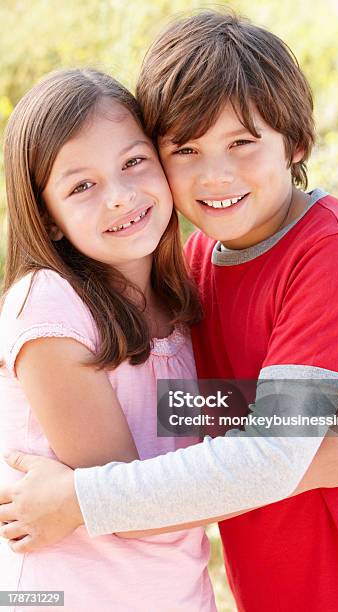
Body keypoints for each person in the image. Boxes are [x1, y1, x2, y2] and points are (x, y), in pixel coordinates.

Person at [1, 10, 338, 612]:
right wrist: (308, 452)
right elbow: (202, 411)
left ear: (295, 141)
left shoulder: (331, 256)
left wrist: (78, 500)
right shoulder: (192, 269)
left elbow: (267, 449)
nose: (215, 174)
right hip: (261, 579)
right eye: (185, 149)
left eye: (242, 143)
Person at [0, 67, 217, 611]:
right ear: (47, 218)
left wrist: (334, 421)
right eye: (82, 186)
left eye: (133, 162)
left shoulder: (181, 302)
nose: (120, 196)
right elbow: (129, 504)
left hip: (176, 595)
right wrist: (304, 467)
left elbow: (215, 424)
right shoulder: (49, 301)